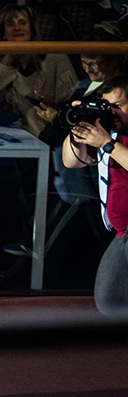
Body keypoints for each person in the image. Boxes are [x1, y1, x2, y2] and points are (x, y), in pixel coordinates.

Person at [58, 74, 128, 316]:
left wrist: (107, 143)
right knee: (109, 301)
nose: (112, 112)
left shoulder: (109, 138)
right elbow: (71, 161)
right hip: (121, 231)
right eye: (108, 106)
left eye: (118, 106)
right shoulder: (109, 131)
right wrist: (79, 128)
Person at [0, 5, 77, 135]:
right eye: (10, 24)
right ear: (3, 34)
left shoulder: (54, 59)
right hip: (12, 134)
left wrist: (51, 104)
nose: (17, 28)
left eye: (22, 23)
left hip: (50, 134)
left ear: (31, 29)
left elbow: (73, 99)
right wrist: (8, 60)